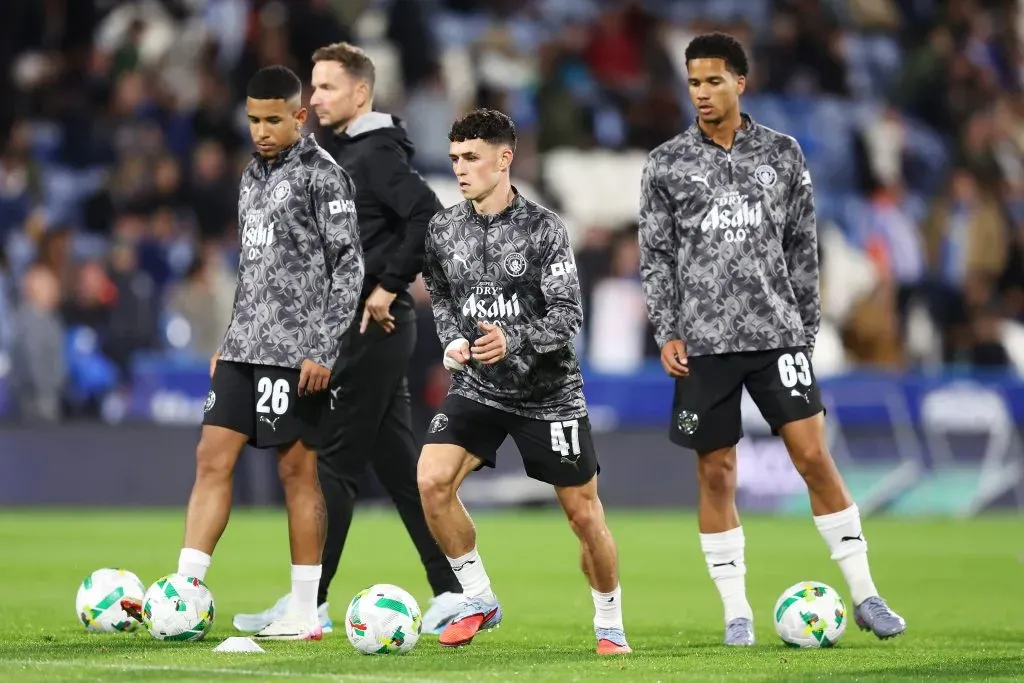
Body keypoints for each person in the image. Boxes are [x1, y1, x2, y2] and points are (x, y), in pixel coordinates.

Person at [637, 33, 906, 646]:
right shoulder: (666, 163)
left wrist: (805, 330)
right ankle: (736, 611)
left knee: (814, 458)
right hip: (702, 344)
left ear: (740, 82)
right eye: (693, 83)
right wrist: (667, 330)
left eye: (712, 81)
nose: (702, 93)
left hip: (777, 334)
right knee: (717, 473)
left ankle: (866, 594)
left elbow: (801, 248)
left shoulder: (782, 154)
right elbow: (655, 256)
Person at [232, 42, 465, 636]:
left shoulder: (374, 154)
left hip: (369, 326)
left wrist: (389, 284)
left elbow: (429, 214)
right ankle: (456, 590)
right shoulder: (347, 155)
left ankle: (309, 603)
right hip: (371, 330)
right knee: (399, 467)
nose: (314, 98)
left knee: (331, 460)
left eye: (328, 87)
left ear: (361, 93)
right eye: (312, 86)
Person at [416, 108, 631, 655]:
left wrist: (512, 339)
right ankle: (480, 597)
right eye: (454, 159)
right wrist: (451, 341)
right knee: (432, 481)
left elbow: (567, 317)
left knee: (584, 516)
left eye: (471, 158)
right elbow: (441, 296)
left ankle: (609, 623)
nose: (460, 169)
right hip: (480, 387)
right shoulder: (443, 229)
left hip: (548, 393)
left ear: (504, 158)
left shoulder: (544, 230)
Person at [163, 65, 363, 641]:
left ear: (300, 116)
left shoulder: (324, 177)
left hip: (296, 351)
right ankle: (186, 591)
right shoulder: (251, 177)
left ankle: (305, 612)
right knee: (211, 457)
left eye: (273, 119)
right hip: (244, 348)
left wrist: (324, 347)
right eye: (253, 119)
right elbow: (255, 273)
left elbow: (349, 266)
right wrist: (229, 339)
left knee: (297, 471)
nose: (261, 130)